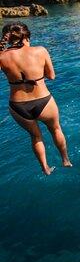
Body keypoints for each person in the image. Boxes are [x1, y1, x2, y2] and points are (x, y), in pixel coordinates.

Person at [0, 22, 72, 175]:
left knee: (35, 136)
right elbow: (52, 76)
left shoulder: (2, 56)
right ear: (26, 36)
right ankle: (65, 160)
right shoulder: (40, 50)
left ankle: (45, 168)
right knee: (55, 129)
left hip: (18, 106)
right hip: (44, 101)